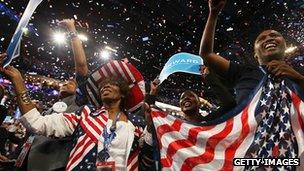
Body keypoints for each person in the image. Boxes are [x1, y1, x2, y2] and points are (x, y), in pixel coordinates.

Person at [14, 18, 89, 171]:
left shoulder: (80, 102)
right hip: (28, 163)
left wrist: (72, 31)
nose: (67, 81)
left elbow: (81, 68)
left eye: (72, 81)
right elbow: (34, 125)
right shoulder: (50, 109)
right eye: (66, 80)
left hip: (54, 166)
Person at [200, 0, 304, 105]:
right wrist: (213, 14)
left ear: (284, 46)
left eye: (274, 35)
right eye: (261, 39)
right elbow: (207, 55)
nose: (268, 39)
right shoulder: (242, 72)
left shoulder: (298, 75)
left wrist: (299, 79)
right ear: (256, 55)